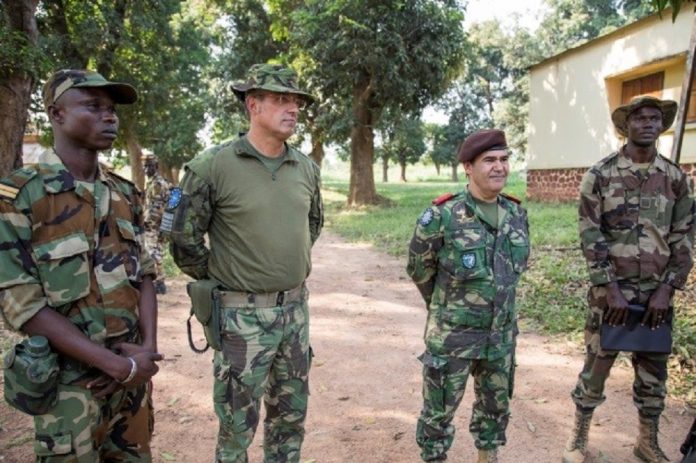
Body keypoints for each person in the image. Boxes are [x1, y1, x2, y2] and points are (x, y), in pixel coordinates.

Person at [163, 63, 323, 462]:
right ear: (253, 104)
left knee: (290, 421)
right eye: (281, 100)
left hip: (294, 314)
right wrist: (222, 276)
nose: (293, 109)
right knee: (237, 426)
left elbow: (312, 225)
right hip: (241, 321)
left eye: (297, 102)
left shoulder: (305, 168)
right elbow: (183, 238)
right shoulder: (213, 166)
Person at [0, 69, 162, 460]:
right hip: (69, 389)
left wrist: (146, 355)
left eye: (111, 110)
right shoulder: (19, 197)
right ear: (56, 115)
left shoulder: (125, 193)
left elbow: (145, 277)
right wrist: (114, 364)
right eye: (93, 107)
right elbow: (22, 303)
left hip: (131, 380)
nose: (110, 117)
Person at [562, 96, 695, 463]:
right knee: (596, 367)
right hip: (611, 296)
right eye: (640, 118)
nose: (649, 123)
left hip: (657, 295)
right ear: (627, 126)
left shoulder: (676, 179)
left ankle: (647, 442)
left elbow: (684, 236)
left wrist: (668, 288)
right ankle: (578, 439)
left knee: (653, 372)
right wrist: (609, 287)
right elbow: (590, 234)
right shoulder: (600, 175)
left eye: (655, 118)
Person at [407, 129, 530, 463]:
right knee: (438, 416)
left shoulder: (517, 215)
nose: (499, 167)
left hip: (501, 337)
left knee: (495, 410)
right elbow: (419, 269)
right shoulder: (442, 216)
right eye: (489, 160)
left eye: (504, 159)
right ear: (468, 167)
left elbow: (513, 273)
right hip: (453, 338)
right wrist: (447, 308)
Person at [142, 153, 172, 295]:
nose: (147, 169)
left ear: (156, 167)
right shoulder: (154, 182)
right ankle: (160, 283)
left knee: (152, 253)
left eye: (150, 166)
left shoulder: (157, 184)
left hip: (155, 225)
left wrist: (147, 223)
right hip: (158, 224)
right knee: (156, 252)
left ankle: (158, 283)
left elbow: (157, 207)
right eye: (145, 166)